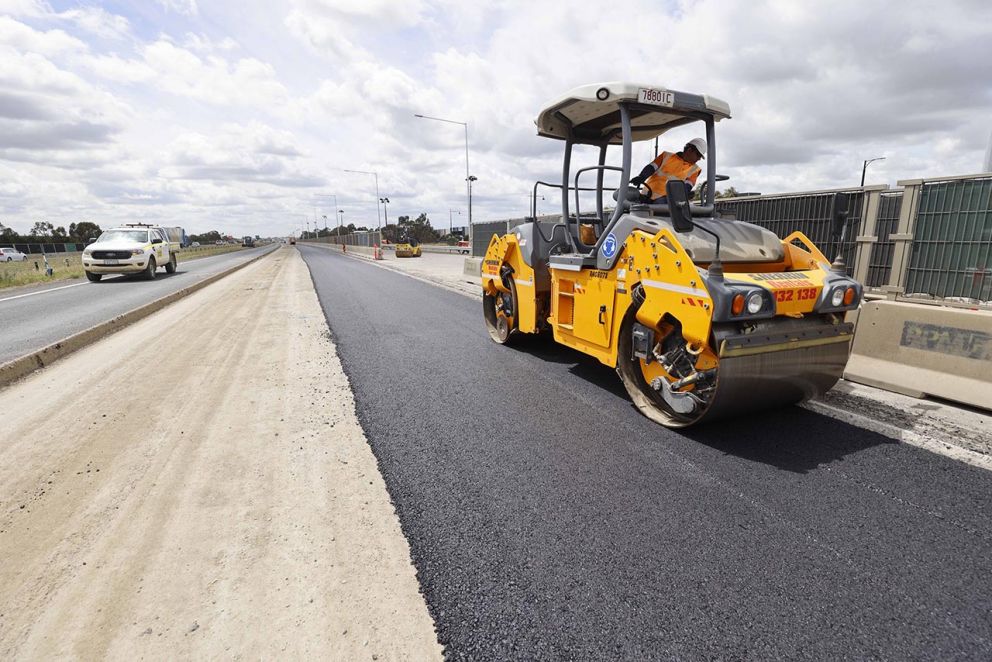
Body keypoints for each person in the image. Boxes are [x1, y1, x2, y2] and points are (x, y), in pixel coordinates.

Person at [629, 137, 706, 202]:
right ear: (689, 150)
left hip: (666, 203)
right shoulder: (666, 156)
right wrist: (642, 177)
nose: (699, 159)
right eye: (698, 155)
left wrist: (684, 194)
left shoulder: (695, 170)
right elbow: (651, 167)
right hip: (646, 197)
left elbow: (687, 186)